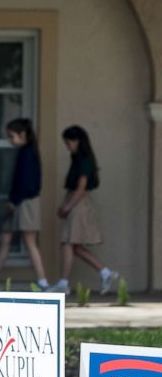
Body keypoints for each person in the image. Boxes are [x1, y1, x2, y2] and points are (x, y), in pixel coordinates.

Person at [48, 126, 119, 295]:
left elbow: (81, 188)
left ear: (78, 141)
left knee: (68, 243)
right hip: (75, 201)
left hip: (78, 203)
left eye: (69, 142)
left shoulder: (84, 160)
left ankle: (63, 283)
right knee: (75, 246)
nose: (67, 145)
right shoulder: (78, 159)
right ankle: (105, 272)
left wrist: (67, 206)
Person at [0, 118, 49, 290]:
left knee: (29, 240)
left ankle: (42, 281)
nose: (10, 140)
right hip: (19, 201)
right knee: (5, 238)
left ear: (22, 134)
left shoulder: (27, 153)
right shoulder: (25, 152)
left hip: (25, 202)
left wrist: (14, 201)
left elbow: (26, 183)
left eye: (12, 136)